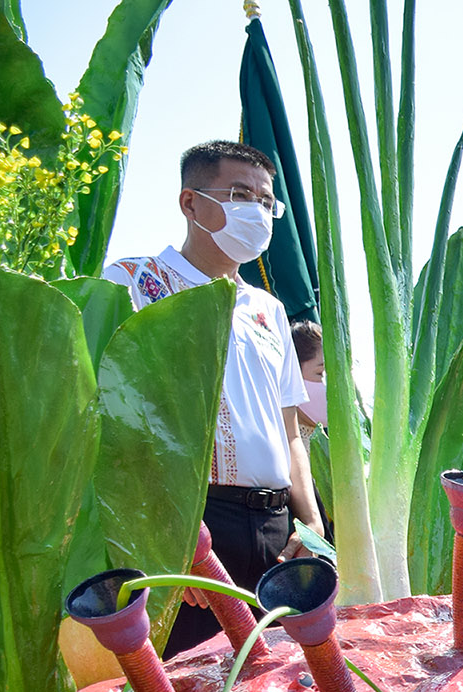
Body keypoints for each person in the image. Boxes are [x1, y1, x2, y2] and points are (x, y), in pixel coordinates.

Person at [104, 140, 322, 656]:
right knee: (186, 690)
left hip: (275, 531)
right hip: (190, 522)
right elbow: (113, 423)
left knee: (274, 687)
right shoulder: (134, 283)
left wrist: (310, 522)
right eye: (241, 195)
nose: (259, 212)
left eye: (267, 202)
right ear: (190, 203)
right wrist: (168, 532)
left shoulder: (269, 309)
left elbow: (290, 430)